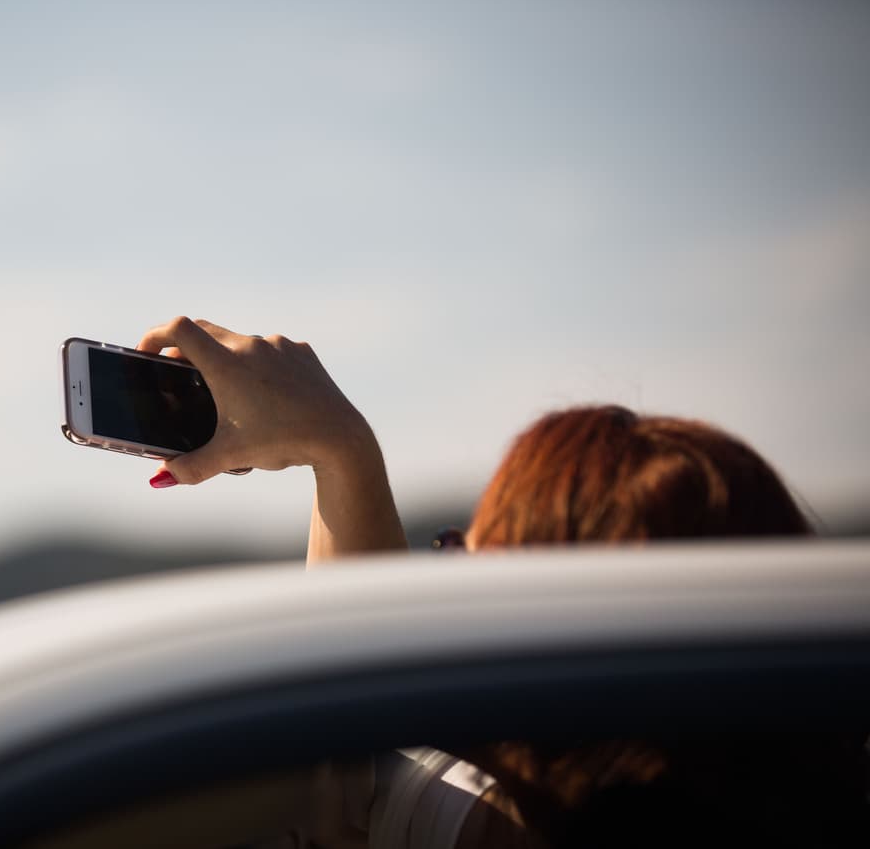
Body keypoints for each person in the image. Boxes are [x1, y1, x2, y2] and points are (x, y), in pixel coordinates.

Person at [134, 317, 868, 848]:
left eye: (468, 561)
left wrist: (340, 445)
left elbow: (353, 776)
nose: (451, 593)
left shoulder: (499, 823)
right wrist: (340, 450)